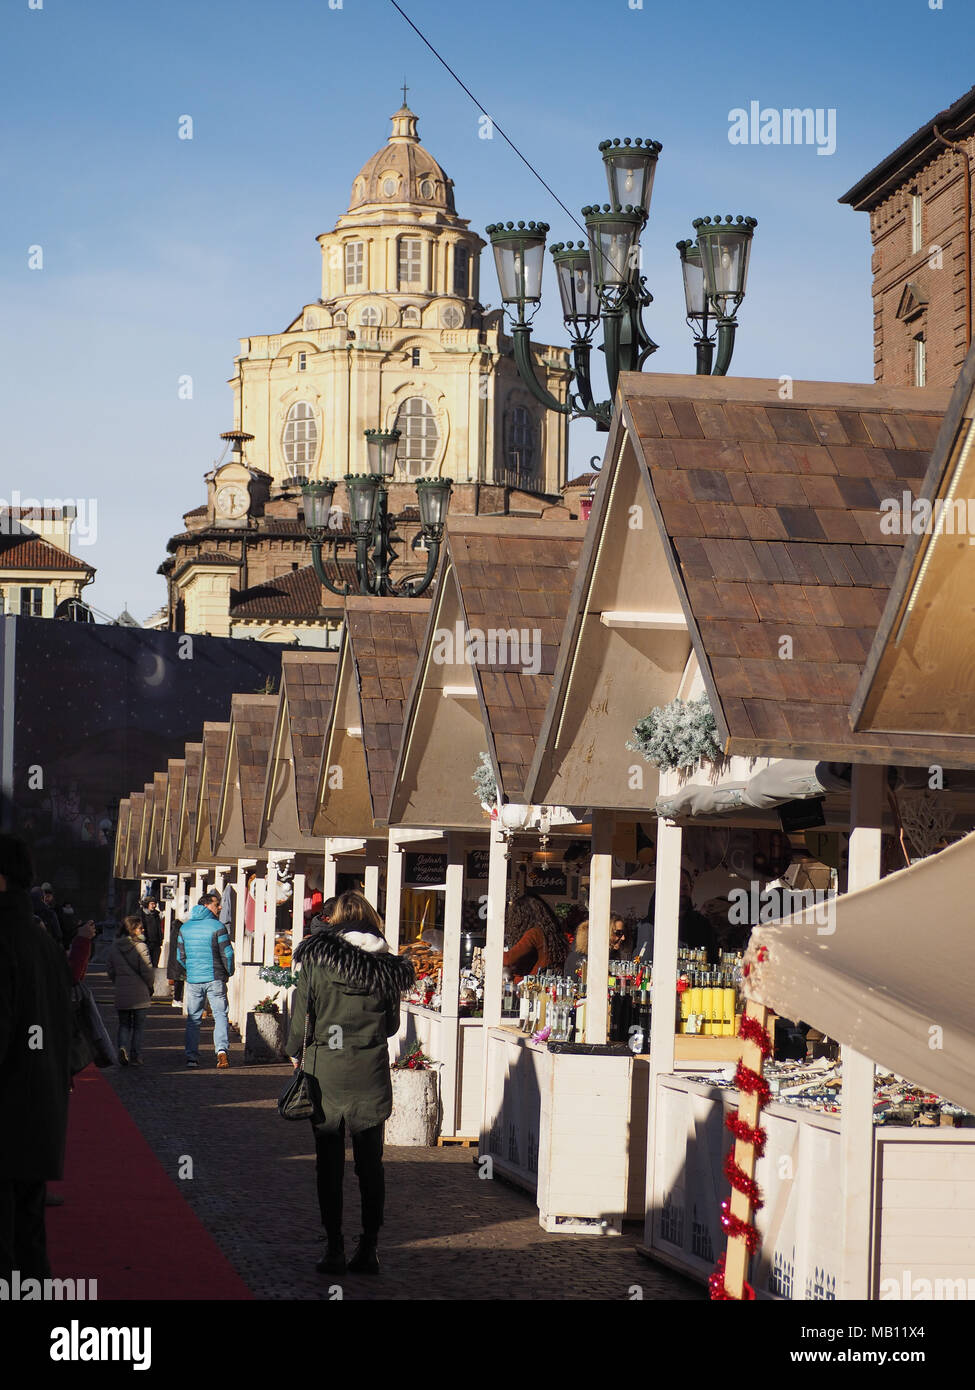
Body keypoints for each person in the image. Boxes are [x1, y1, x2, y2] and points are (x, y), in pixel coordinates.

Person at [286, 891, 414, 1277]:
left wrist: (295, 1049)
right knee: (370, 1164)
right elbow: (391, 1026)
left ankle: (335, 1246)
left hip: (326, 1066)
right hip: (369, 1070)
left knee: (328, 1163)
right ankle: (370, 1246)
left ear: (335, 921)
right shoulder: (387, 966)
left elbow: (300, 1017)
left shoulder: (317, 959)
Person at [0, 834, 73, 1281]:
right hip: (38, 1104)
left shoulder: (5, 938)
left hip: (6, 1106)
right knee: (28, 1238)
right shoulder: (41, 941)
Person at [176, 890, 234, 1069]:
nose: (220, 907)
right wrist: (228, 972)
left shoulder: (184, 928)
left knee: (194, 1018)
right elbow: (228, 954)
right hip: (215, 977)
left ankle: (191, 1057)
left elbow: (180, 956)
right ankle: (221, 1050)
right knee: (220, 1015)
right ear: (207, 905)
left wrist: (192, 970)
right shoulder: (217, 927)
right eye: (217, 904)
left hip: (194, 979)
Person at [106, 916, 155, 1066]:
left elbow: (110, 969)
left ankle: (121, 1047)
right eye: (140, 928)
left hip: (122, 991)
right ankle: (135, 1056)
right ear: (132, 929)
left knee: (124, 1024)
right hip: (140, 992)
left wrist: (118, 981)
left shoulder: (115, 947)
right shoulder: (141, 947)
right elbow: (147, 971)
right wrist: (150, 985)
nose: (143, 930)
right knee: (138, 1027)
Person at [502, 893, 569, 982]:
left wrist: (490, 952)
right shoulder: (548, 932)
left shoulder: (534, 933)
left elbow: (508, 959)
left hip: (532, 986)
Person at [140, 897, 163, 970]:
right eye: (152, 904)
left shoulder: (156, 914)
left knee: (154, 966)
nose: (154, 906)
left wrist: (160, 940)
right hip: (146, 943)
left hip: (156, 944)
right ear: (147, 904)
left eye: (155, 904)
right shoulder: (141, 915)